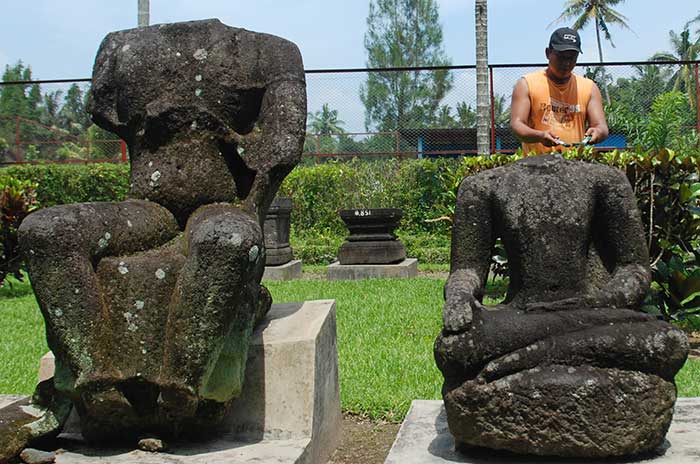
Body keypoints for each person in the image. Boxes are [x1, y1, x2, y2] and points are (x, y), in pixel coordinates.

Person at [510, 27, 609, 155]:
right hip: (536, 168)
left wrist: (598, 132)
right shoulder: (527, 84)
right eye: (561, 57)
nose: (566, 63)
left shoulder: (589, 88)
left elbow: (601, 126)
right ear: (548, 53)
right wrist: (540, 136)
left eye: (572, 58)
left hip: (575, 166)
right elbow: (517, 124)